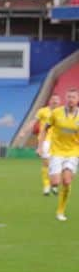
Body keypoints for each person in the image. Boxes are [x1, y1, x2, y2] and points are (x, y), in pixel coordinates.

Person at [40, 88, 79, 221]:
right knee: (55, 183)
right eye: (68, 97)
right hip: (56, 151)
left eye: (73, 97)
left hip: (73, 152)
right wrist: (40, 147)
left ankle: (60, 211)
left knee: (67, 181)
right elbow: (45, 129)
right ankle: (51, 182)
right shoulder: (56, 113)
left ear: (77, 100)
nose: (70, 100)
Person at [27, 95, 61, 195]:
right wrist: (24, 131)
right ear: (50, 101)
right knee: (46, 164)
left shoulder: (62, 112)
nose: (55, 101)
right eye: (53, 99)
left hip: (58, 142)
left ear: (60, 101)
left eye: (57, 100)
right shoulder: (42, 111)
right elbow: (33, 122)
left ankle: (54, 186)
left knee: (56, 165)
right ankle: (47, 186)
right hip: (45, 140)